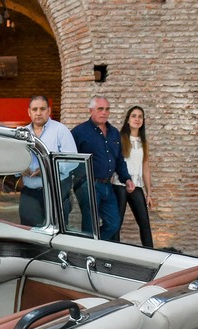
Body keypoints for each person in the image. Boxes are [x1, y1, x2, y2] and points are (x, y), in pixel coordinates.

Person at [72, 96, 133, 240]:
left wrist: (127, 179)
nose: (104, 112)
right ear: (91, 111)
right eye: (100, 109)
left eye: (107, 109)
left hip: (107, 185)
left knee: (113, 224)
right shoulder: (79, 132)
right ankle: (87, 254)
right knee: (89, 226)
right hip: (88, 184)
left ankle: (92, 245)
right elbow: (69, 158)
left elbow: (119, 159)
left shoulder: (113, 132)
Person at [20, 95, 77, 226]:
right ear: (29, 112)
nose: (38, 113)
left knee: (56, 233)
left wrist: (47, 168)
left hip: (56, 192)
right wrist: (20, 168)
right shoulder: (22, 133)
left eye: (42, 109)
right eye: (34, 109)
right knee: (29, 233)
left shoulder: (60, 130)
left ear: (49, 111)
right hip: (30, 192)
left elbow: (72, 160)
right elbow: (14, 158)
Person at [113, 106, 154, 247]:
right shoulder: (120, 138)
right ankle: (113, 253)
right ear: (128, 119)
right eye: (134, 116)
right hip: (120, 185)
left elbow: (146, 168)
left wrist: (149, 193)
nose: (137, 119)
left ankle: (150, 254)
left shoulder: (143, 142)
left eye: (140, 116)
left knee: (145, 223)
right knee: (116, 224)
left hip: (137, 186)